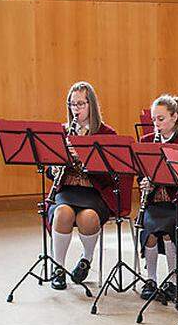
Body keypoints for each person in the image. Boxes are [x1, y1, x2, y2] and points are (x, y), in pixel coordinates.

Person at [47, 81, 128, 290]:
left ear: (91, 105)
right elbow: (48, 169)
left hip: (96, 192)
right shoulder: (64, 132)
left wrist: (86, 160)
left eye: (81, 104)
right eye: (72, 104)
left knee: (89, 218)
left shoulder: (106, 133)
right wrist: (54, 167)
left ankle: (86, 259)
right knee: (63, 213)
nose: (76, 109)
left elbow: (113, 175)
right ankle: (58, 268)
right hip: (67, 190)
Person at [138, 95, 178, 302]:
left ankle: (173, 280)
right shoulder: (147, 141)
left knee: (168, 231)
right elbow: (140, 172)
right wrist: (144, 182)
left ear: (175, 117)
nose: (156, 125)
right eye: (154, 120)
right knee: (148, 231)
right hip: (154, 201)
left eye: (161, 119)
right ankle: (151, 280)